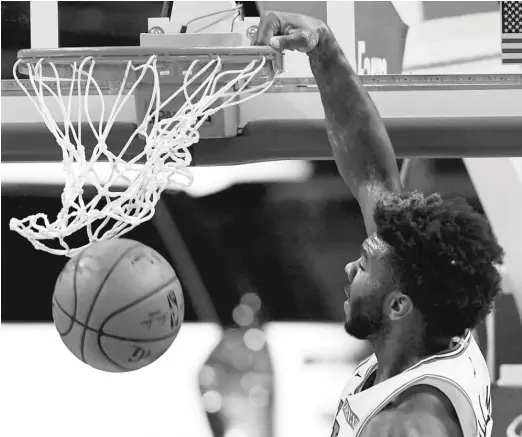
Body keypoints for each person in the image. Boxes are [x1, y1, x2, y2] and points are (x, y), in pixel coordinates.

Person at [255, 11, 504, 437]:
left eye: (364, 267)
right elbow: (372, 173)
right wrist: (322, 47)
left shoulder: (408, 427)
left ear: (398, 306)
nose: (350, 268)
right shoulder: (433, 322)